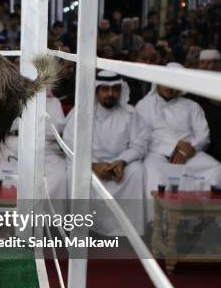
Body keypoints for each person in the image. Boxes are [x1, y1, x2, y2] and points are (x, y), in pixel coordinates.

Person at [64, 71, 148, 235]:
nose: (111, 94)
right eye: (105, 89)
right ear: (96, 91)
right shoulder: (81, 113)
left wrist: (122, 162)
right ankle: (81, 229)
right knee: (74, 172)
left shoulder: (130, 114)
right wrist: (94, 164)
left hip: (119, 164)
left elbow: (140, 145)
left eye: (115, 89)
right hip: (88, 161)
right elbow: (70, 143)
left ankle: (126, 232)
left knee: (137, 171)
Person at [136, 63, 221, 200]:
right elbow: (144, 136)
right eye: (167, 82)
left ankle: (202, 217)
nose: (170, 87)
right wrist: (175, 145)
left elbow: (204, 136)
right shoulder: (144, 105)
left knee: (216, 169)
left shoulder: (192, 106)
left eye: (175, 84)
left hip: (190, 153)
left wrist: (184, 151)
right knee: (153, 174)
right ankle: (157, 219)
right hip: (156, 153)